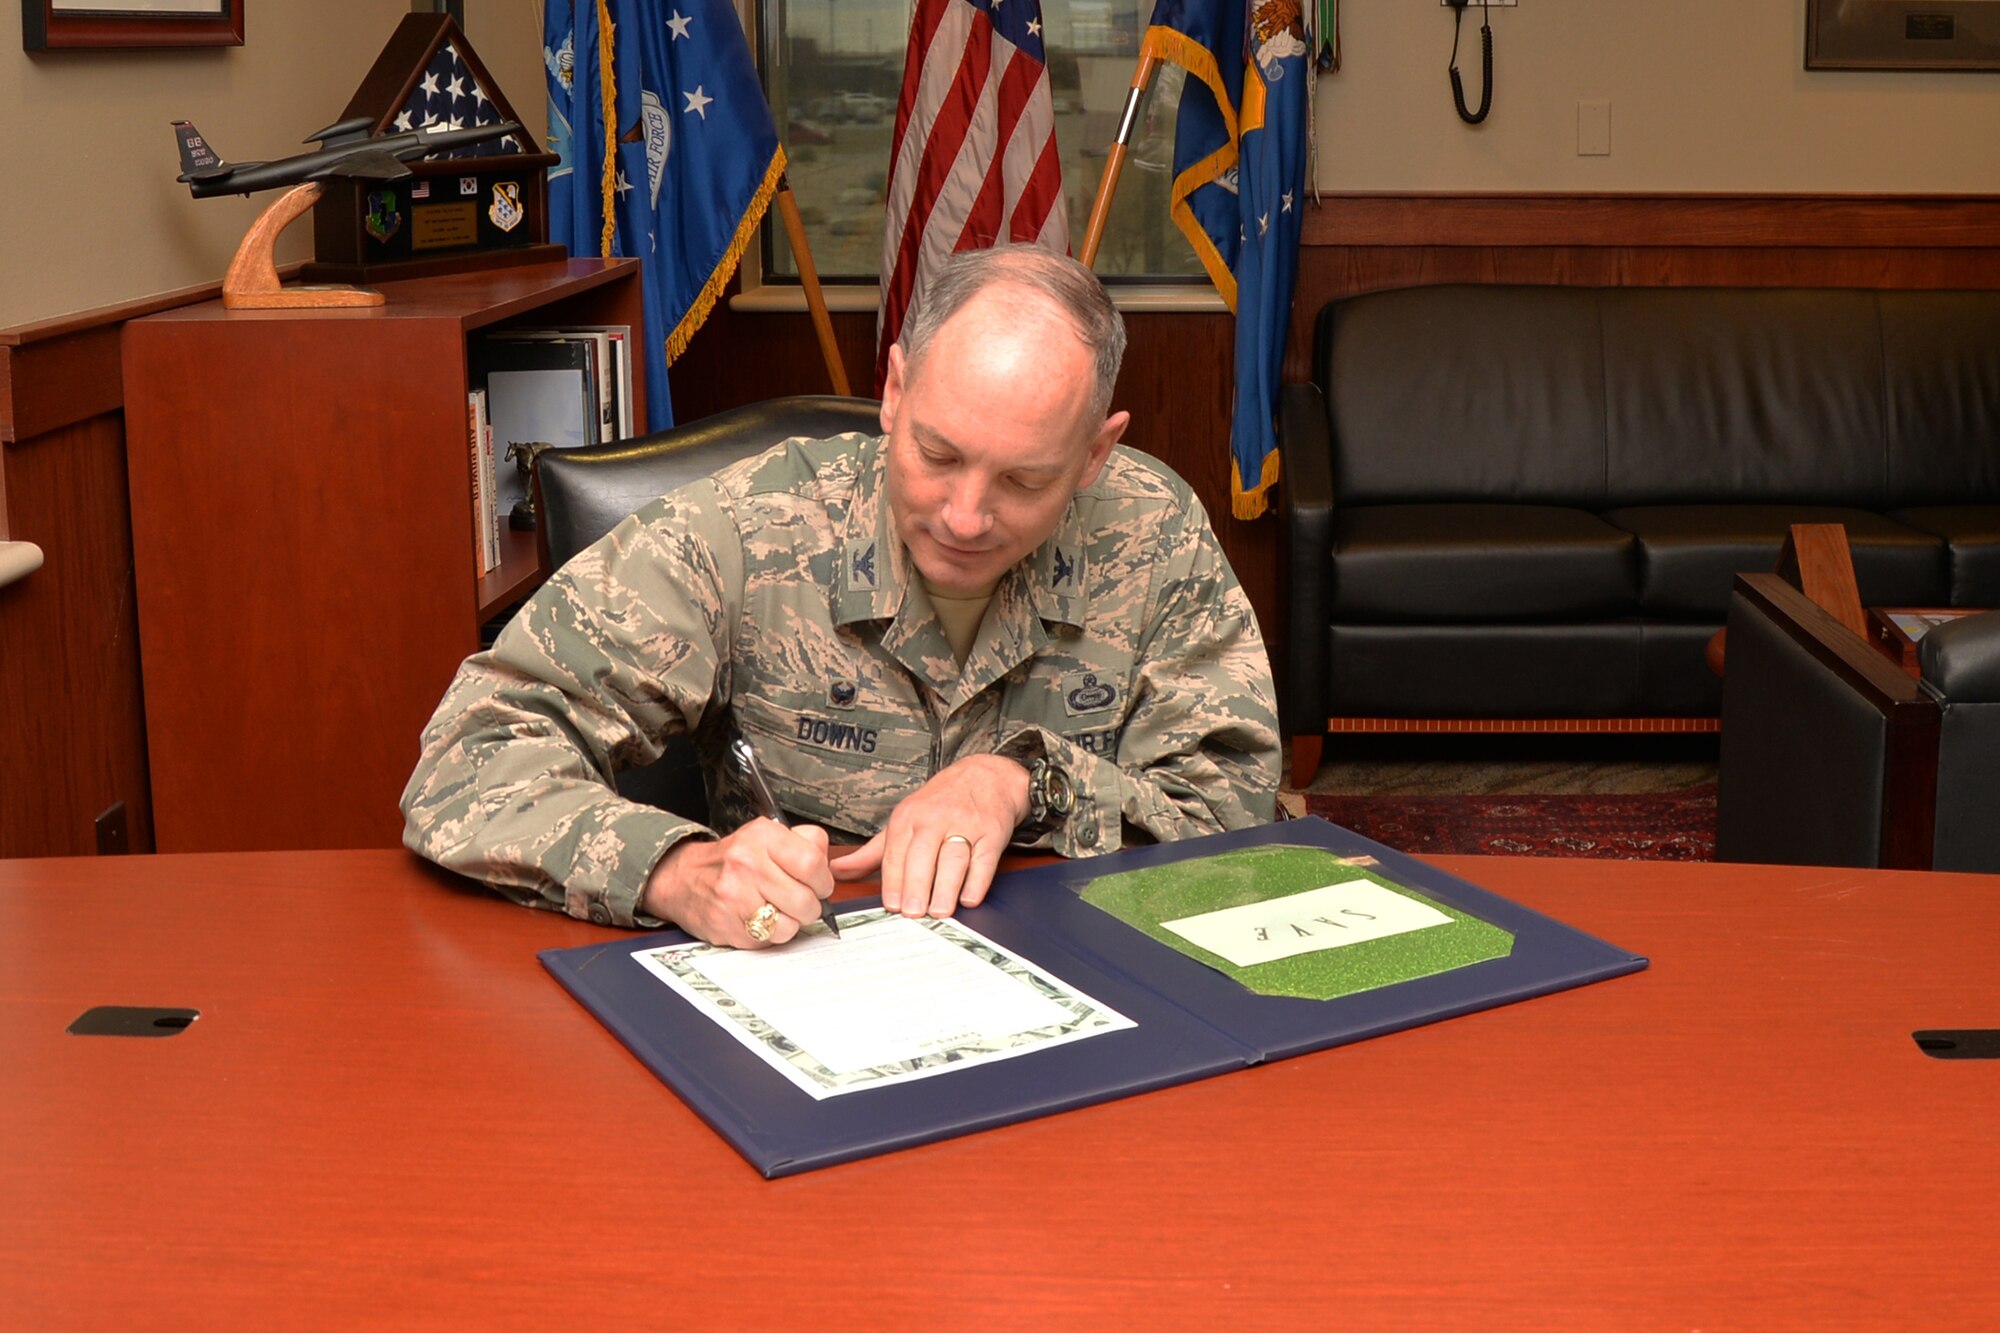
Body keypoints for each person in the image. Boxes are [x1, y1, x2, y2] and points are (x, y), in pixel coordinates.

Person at [401, 244, 1280, 947]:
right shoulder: (749, 532)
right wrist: (673, 870)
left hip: (1086, 983)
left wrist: (1028, 779)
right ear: (894, 391)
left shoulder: (1150, 530)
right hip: (806, 976)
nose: (966, 516)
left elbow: (1237, 805)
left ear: (1095, 454)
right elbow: (465, 759)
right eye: (938, 455)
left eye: (1023, 479)